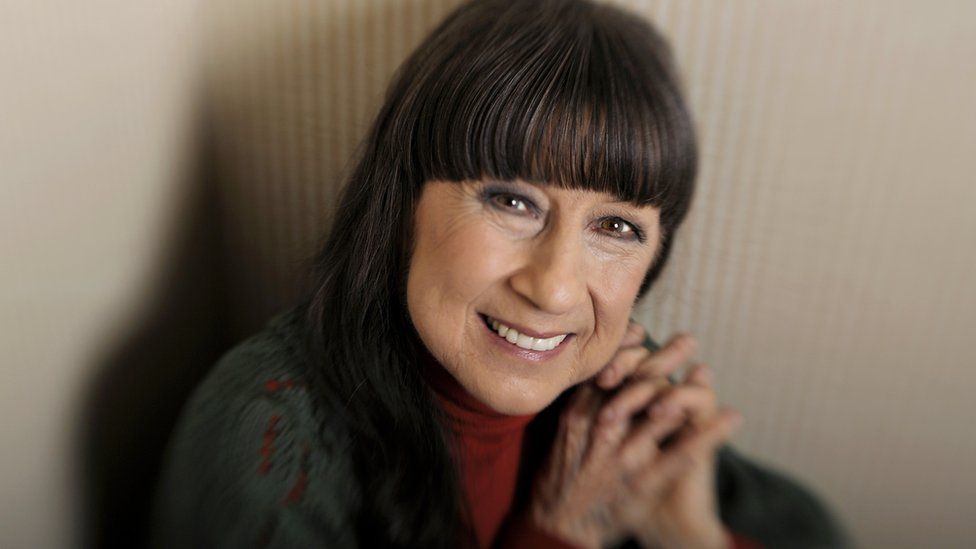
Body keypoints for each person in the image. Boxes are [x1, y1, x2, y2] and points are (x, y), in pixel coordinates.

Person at [150, 0, 850, 547]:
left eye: (617, 228)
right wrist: (556, 536)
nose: (553, 287)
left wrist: (691, 538)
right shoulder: (266, 434)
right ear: (403, 203)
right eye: (512, 201)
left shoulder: (615, 418)